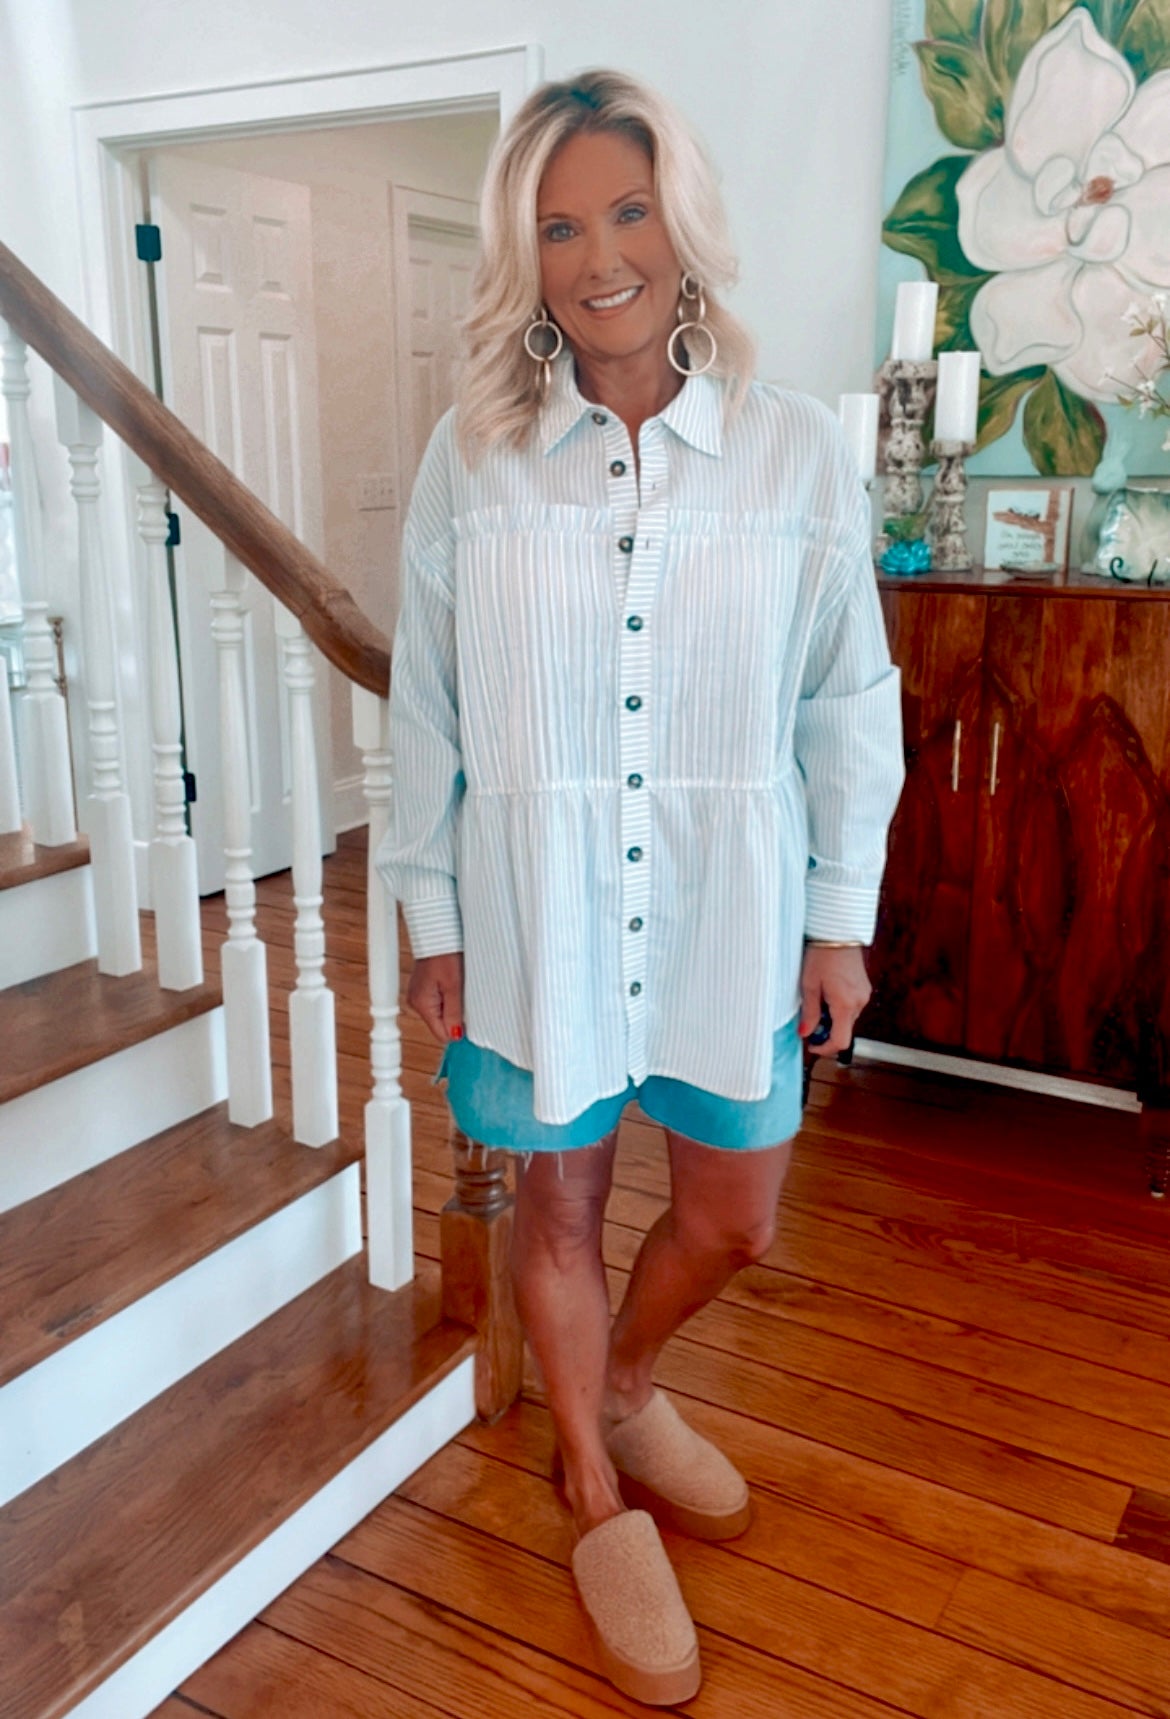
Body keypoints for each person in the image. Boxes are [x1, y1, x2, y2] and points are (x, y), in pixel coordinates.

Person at [377, 69, 904, 1706]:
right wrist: (432, 920)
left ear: (679, 226)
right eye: (557, 227)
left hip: (723, 913)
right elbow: (425, 708)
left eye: (626, 211)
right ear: (521, 257)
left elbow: (845, 698)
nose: (598, 256)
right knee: (556, 1209)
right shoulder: (474, 458)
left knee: (735, 1215)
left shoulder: (793, 450)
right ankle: (595, 1494)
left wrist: (837, 917)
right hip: (534, 910)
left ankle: (619, 1382)